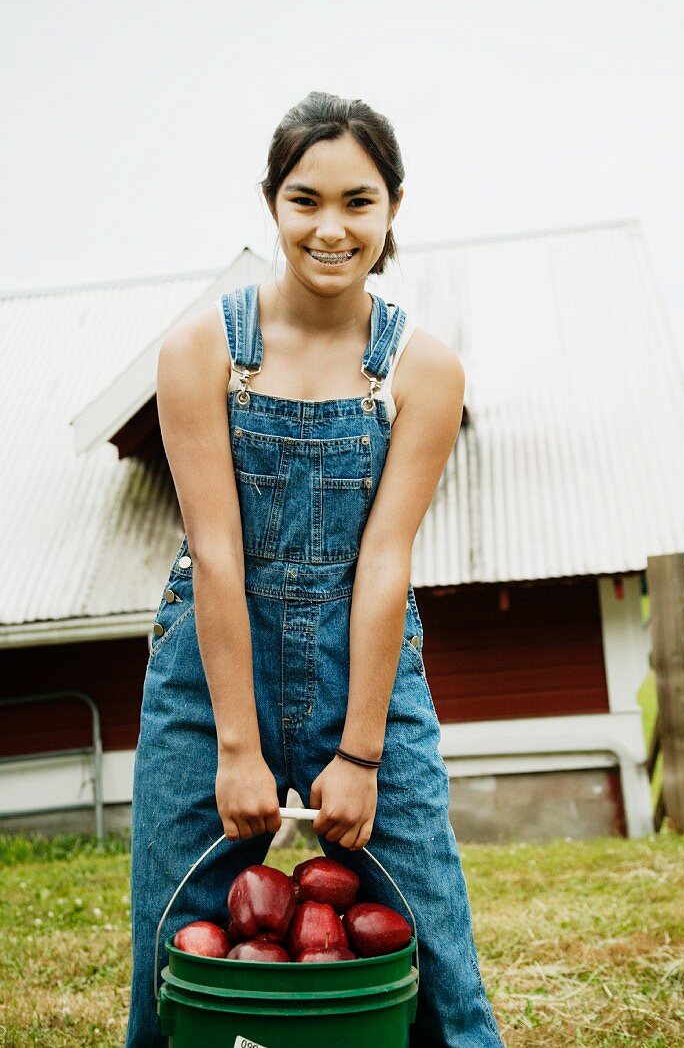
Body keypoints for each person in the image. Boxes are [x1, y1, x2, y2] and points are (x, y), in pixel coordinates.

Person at [125, 90, 505, 1047]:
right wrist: (238, 748)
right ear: (270, 203)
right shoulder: (201, 349)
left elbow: (385, 562)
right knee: (176, 945)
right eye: (306, 200)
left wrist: (364, 753)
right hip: (208, 671)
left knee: (435, 945)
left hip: (364, 662)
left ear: (394, 208)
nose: (331, 229)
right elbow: (217, 555)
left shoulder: (424, 369)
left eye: (358, 201)